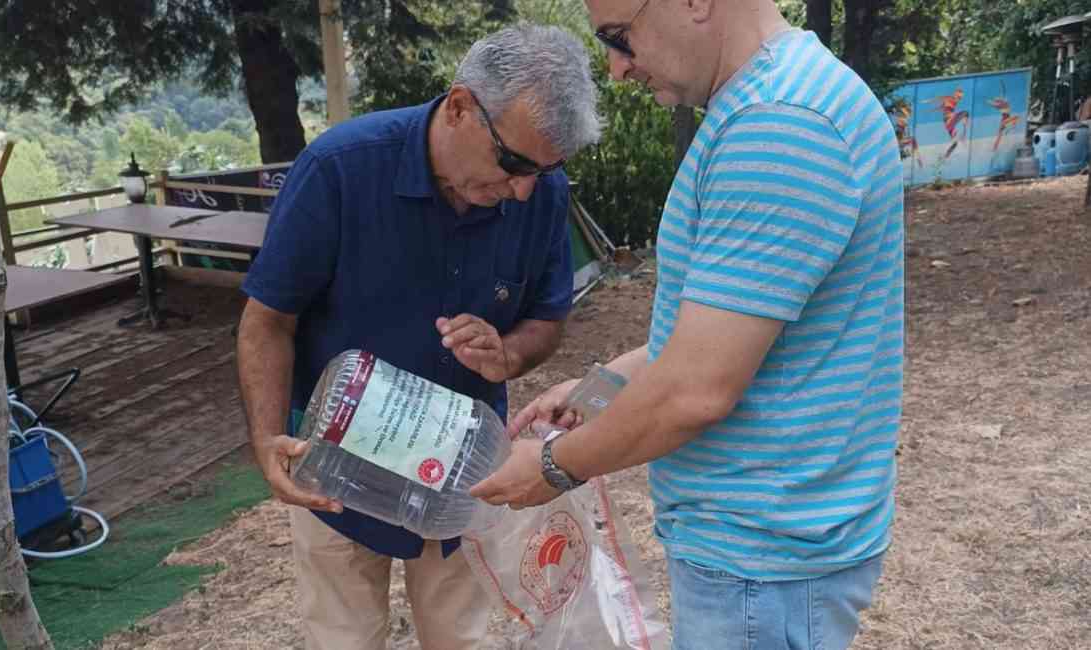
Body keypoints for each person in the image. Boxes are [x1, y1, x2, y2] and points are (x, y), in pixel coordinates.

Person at [472, 2, 905, 649]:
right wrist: (596, 392)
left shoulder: (778, 125)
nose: (618, 69)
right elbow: (721, 334)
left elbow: (697, 388)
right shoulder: (777, 102)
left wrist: (556, 467)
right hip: (760, 556)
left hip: (762, 563)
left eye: (619, 38)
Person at [236, 24, 601, 650]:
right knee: (341, 638)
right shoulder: (339, 170)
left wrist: (508, 352)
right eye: (513, 164)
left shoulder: (539, 191)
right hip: (336, 463)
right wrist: (269, 438)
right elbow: (268, 319)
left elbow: (547, 318)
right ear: (460, 107)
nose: (522, 190)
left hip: (461, 468)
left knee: (460, 638)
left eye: (545, 170)